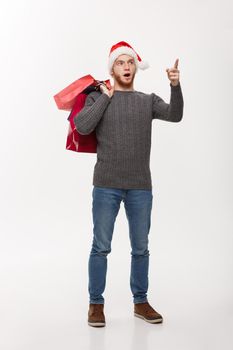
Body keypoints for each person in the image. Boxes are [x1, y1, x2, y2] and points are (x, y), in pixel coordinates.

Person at [74, 41, 184, 327]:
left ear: (136, 67)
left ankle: (141, 301)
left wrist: (175, 85)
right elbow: (83, 126)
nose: (126, 66)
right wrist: (105, 97)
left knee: (141, 247)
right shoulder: (98, 98)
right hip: (106, 184)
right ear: (112, 68)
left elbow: (175, 115)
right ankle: (95, 305)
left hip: (139, 186)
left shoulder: (147, 100)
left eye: (130, 62)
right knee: (100, 246)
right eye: (121, 62)